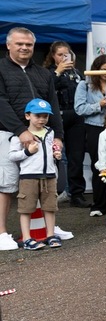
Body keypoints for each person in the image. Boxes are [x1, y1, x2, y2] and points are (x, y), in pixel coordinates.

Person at [0, 27, 65, 249]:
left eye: (28, 44)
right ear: (8, 45)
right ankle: (2, 233)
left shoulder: (43, 73)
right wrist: (21, 130)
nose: (24, 47)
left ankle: (48, 229)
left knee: (45, 182)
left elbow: (53, 105)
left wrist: (59, 136)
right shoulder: (0, 68)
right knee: (6, 183)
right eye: (19, 43)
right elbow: (1, 103)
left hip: (43, 136)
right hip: (8, 133)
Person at [75, 55, 106, 217]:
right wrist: (99, 105)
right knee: (99, 165)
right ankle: (99, 204)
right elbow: (79, 109)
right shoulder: (85, 85)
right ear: (95, 68)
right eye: (103, 69)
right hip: (94, 128)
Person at [8, 99, 63, 250]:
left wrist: (56, 154)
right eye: (37, 116)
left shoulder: (50, 133)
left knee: (50, 207)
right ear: (28, 116)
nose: (42, 119)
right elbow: (12, 156)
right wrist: (27, 152)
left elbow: (52, 149)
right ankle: (27, 238)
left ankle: (50, 235)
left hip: (49, 175)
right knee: (26, 208)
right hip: (29, 176)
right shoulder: (20, 136)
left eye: (45, 116)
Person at [44, 41, 90, 208]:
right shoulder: (47, 73)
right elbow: (44, 91)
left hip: (76, 117)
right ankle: (52, 192)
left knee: (76, 157)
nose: (64, 58)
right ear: (53, 56)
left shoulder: (77, 73)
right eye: (60, 55)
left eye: (67, 54)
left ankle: (76, 194)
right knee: (56, 157)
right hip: (57, 117)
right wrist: (57, 72)